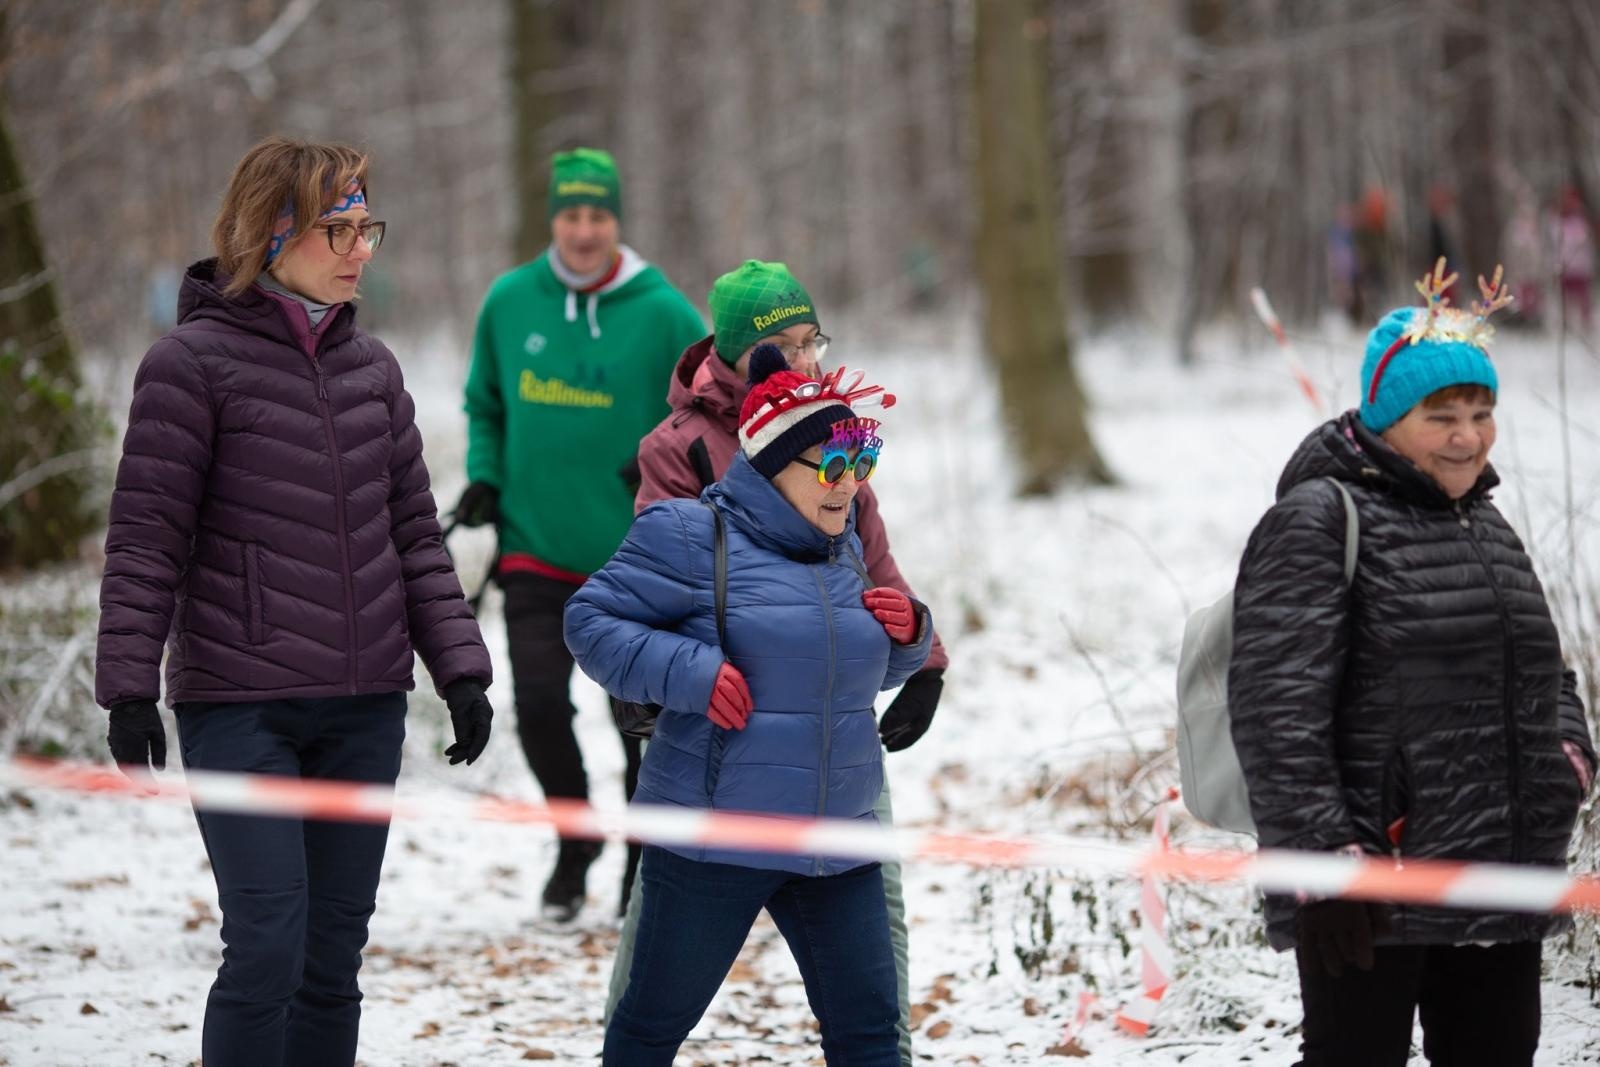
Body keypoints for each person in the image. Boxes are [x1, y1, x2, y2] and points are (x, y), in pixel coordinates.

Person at [95, 136, 495, 1067]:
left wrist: (461, 669)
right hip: (242, 702)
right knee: (267, 942)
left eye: (368, 228)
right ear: (270, 236)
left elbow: (414, 536)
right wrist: (126, 686)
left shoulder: (374, 372)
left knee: (330, 958)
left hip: (361, 707)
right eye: (338, 229)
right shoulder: (188, 366)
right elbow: (148, 536)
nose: (361, 249)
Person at [1228, 260, 1597, 1067]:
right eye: (1442, 415)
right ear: (1390, 416)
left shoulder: (1485, 525)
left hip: (1503, 868)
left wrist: (1564, 762)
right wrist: (1320, 866)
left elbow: (1546, 673)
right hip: (1373, 885)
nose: (1469, 435)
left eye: (1481, 411)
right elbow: (1274, 709)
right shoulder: (1320, 519)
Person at [616, 258, 948, 1065]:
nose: (804, 358)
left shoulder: (836, 436)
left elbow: (873, 564)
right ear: (736, 352)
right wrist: (682, 674)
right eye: (785, 345)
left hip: (831, 742)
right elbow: (654, 586)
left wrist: (924, 654)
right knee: (656, 973)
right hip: (728, 749)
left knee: (879, 938)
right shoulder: (682, 446)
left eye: (812, 340)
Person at [456, 148, 705, 920]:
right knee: (535, 704)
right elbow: (486, 404)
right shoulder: (509, 301)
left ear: (617, 220)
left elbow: (709, 410)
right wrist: (485, 476)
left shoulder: (664, 312)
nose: (586, 229)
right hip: (532, 542)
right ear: (553, 218)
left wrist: (669, 471)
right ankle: (574, 840)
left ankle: (642, 858)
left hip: (635, 557)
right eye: (572, 214)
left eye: (599, 215)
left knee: (634, 720)